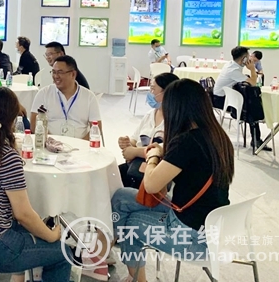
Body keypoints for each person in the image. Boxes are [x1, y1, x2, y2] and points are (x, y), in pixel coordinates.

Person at [111, 79, 234, 282]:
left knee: (131, 224)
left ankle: (137, 278)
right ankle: (116, 255)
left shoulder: (186, 141)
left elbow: (151, 184)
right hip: (211, 224)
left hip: (191, 235)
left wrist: (153, 155)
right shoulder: (218, 136)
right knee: (121, 196)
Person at [0, 86, 71, 281]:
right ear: (13, 117)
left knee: (35, 227)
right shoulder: (6, 156)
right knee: (63, 253)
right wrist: (52, 236)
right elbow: (23, 214)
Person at [118, 73, 179, 188]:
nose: (150, 93)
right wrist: (126, 143)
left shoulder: (176, 122)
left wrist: (135, 152)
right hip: (137, 166)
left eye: (153, 89)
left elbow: (165, 150)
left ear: (167, 93)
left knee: (120, 194)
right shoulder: (150, 115)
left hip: (157, 173)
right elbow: (135, 140)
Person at [30, 55, 101, 140]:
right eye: (54, 72)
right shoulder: (44, 93)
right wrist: (51, 141)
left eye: (60, 72)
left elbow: (96, 128)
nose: (56, 76)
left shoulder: (89, 97)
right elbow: (33, 124)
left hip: (79, 145)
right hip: (49, 143)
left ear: (73, 74)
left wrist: (80, 144)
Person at [212, 46, 270, 150]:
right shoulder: (233, 70)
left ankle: (256, 139)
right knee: (251, 107)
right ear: (243, 59)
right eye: (248, 56)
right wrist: (252, 69)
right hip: (221, 100)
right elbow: (253, 83)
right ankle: (256, 140)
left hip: (224, 96)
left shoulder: (231, 64)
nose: (250, 58)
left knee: (250, 103)